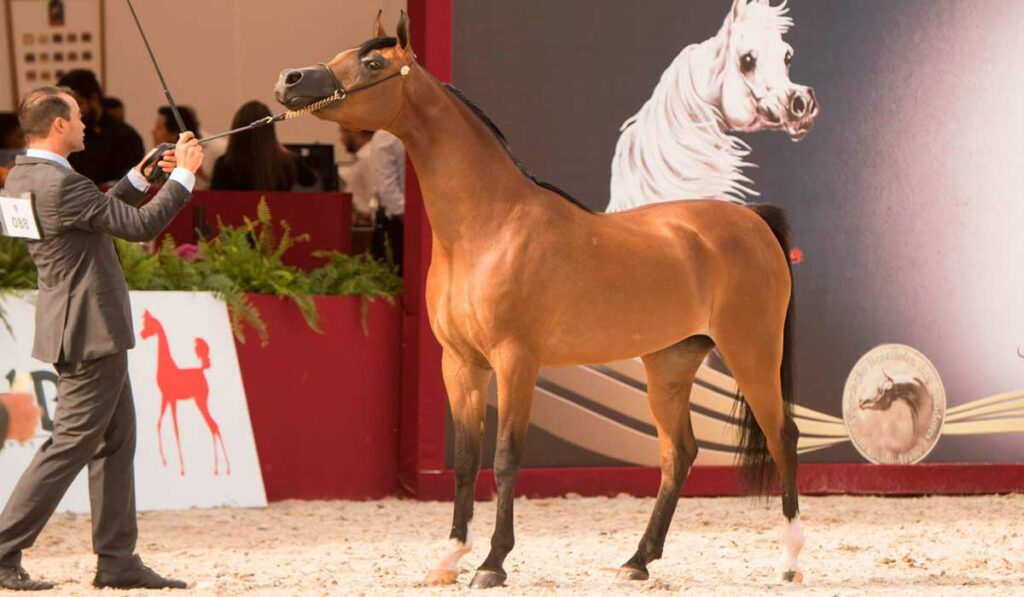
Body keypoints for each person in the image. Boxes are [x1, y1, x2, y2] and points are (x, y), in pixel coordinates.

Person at [0, 85, 202, 591]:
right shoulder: (62, 185)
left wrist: (143, 174)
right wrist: (183, 176)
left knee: (115, 440)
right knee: (69, 445)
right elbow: (136, 226)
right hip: (91, 329)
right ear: (60, 126)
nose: (87, 123)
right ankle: (2, 548)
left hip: (75, 325)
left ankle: (116, 560)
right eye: (78, 117)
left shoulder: (23, 178)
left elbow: (95, 216)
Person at [56, 70, 145, 185]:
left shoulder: (125, 137)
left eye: (78, 103)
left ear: (94, 99)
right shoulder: (65, 135)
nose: (71, 112)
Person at [210, 100, 315, 192]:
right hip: (277, 214)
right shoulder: (287, 163)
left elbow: (216, 199)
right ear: (269, 131)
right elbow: (311, 180)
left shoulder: (225, 164)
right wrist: (285, 151)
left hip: (236, 215)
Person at [151, 105, 224, 190]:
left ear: (174, 134)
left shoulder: (218, 149)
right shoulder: (162, 153)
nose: (153, 132)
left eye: (158, 128)